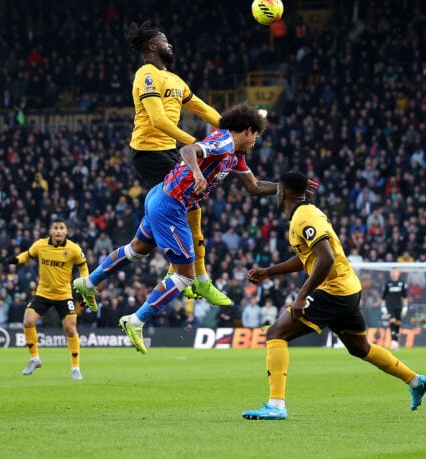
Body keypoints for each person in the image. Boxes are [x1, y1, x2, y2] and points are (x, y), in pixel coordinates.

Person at [74, 103, 276, 353]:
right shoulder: (223, 142)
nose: (256, 142)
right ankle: (136, 320)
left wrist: (285, 188)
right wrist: (197, 173)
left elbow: (254, 186)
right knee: (185, 275)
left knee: (137, 250)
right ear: (247, 131)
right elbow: (188, 149)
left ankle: (90, 282)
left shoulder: (235, 154)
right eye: (256, 136)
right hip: (171, 206)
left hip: (160, 196)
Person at [241, 171, 426, 420]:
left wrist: (301, 295)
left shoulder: (304, 217)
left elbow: (326, 258)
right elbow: (307, 259)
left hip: (333, 289)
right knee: (360, 348)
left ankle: (276, 405)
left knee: (276, 333)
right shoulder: (304, 214)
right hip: (348, 288)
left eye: (278, 191)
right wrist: (269, 271)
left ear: (283, 194)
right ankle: (416, 381)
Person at [124, 20, 229, 305]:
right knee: (181, 207)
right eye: (165, 40)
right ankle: (192, 277)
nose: (170, 44)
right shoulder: (145, 74)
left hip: (169, 152)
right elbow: (158, 120)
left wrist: (234, 129)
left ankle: (193, 276)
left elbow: (203, 108)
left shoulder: (174, 80)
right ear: (152, 46)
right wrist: (194, 142)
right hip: (149, 152)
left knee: (190, 206)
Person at [15, 217, 91, 380]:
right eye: (55, 228)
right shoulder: (40, 245)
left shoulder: (74, 249)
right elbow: (28, 255)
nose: (58, 231)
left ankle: (75, 368)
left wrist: (84, 287)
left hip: (64, 295)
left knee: (70, 329)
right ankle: (34, 359)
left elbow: (83, 267)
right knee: (28, 321)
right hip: (43, 293)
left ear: (66, 231)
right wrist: (16, 260)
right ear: (50, 231)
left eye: (61, 228)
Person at [381, 268, 408, 350]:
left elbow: (405, 296)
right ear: (390, 273)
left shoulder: (402, 283)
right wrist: (383, 306)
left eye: (395, 272)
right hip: (390, 306)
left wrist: (405, 307)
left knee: (398, 323)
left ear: (398, 273)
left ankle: (396, 341)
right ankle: (393, 341)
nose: (394, 273)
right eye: (392, 272)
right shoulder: (387, 283)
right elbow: (383, 296)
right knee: (392, 320)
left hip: (399, 306)